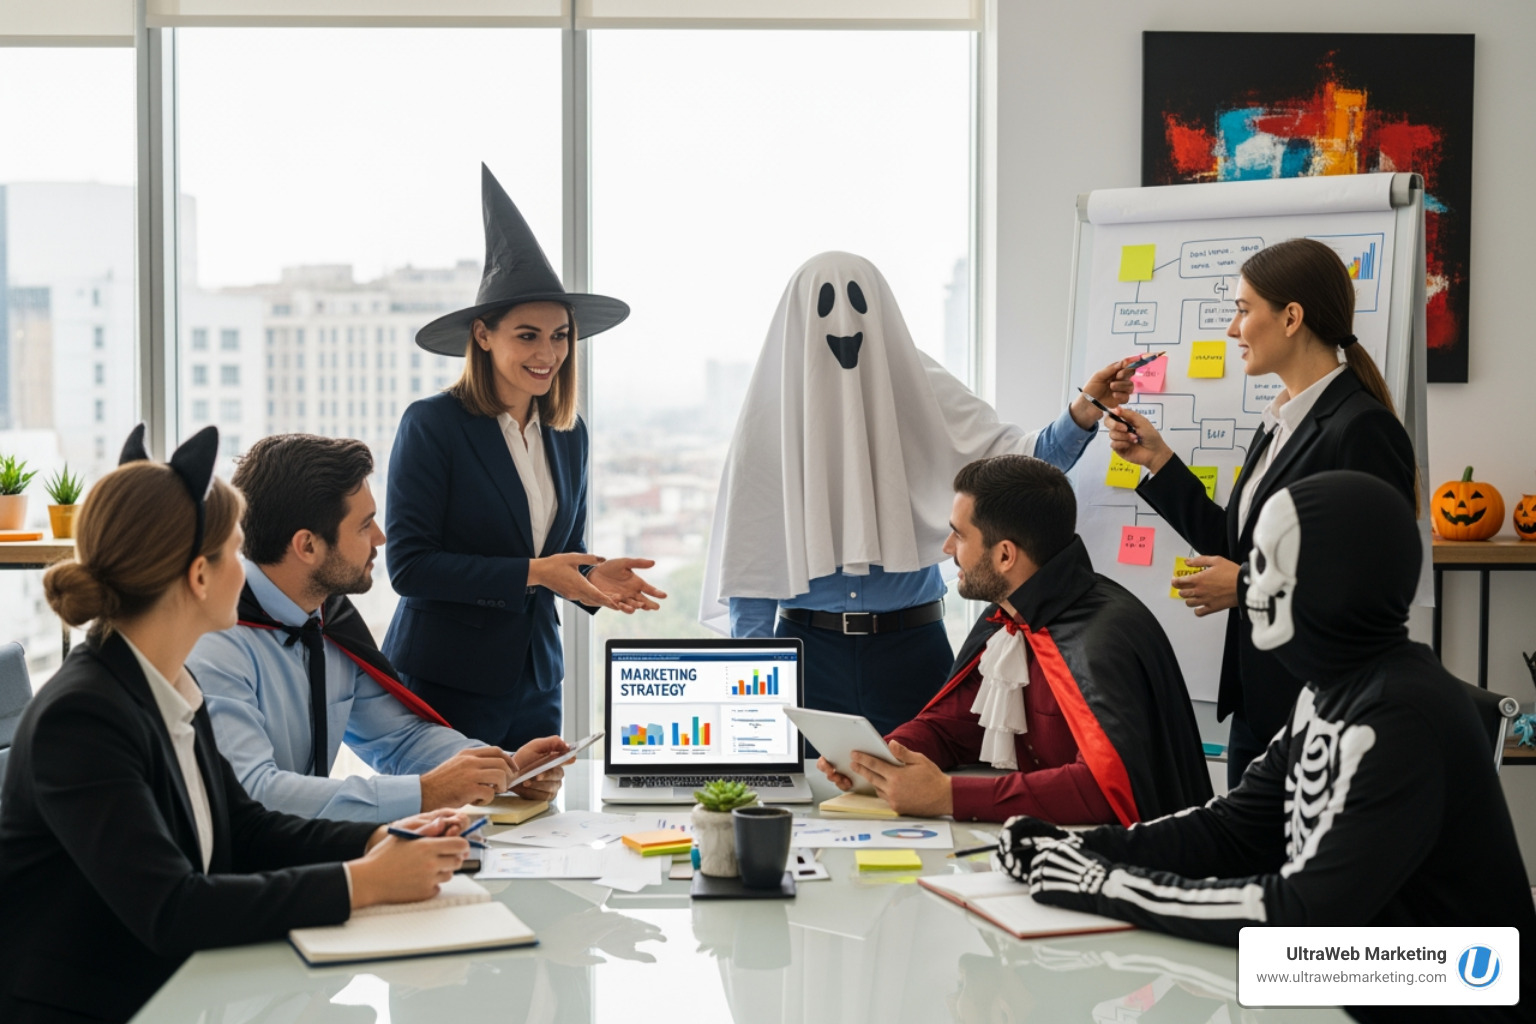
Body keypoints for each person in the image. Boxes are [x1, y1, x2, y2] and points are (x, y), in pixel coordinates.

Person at [1004, 471, 1533, 1024]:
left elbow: (1301, 915)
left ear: (1333, 580)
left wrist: (1103, 883)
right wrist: (1085, 846)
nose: (1251, 586)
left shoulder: (1401, 718)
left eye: (1270, 565)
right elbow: (1232, 829)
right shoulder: (1328, 691)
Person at [0, 425, 474, 1024]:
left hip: (176, 992)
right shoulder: (83, 718)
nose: (248, 568)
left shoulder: (169, 685)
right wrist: (363, 883)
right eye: (235, 550)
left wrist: (377, 840)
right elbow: (172, 908)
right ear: (199, 577)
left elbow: (245, 825)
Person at [702, 251, 1139, 736]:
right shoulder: (772, 410)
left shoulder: (920, 387)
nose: (842, 322)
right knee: (803, 783)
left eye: (856, 301)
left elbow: (1019, 469)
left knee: (927, 778)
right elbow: (753, 564)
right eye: (824, 305)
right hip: (807, 655)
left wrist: (1085, 410)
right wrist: (755, 700)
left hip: (911, 650)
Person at [1107, 238, 1416, 785]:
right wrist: (1157, 459)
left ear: (1292, 317)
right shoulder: (1278, 424)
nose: (1232, 329)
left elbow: (1373, 585)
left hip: (1317, 709)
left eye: (1243, 310)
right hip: (1258, 705)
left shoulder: (1362, 428)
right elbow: (1238, 545)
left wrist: (1245, 586)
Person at [382, 165, 664, 748]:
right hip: (446, 681)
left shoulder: (569, 433)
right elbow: (409, 567)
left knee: (537, 805)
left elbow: (559, 553)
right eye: (528, 335)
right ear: (483, 335)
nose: (548, 353)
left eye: (560, 335)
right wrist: (535, 573)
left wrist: (590, 577)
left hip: (537, 681)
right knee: (463, 810)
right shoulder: (433, 425)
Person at [189, 433, 567, 823]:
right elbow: (254, 792)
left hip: (305, 845)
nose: (380, 538)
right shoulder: (215, 643)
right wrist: (426, 792)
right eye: (364, 525)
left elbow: (400, 738)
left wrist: (500, 767)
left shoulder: (329, 621)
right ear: (307, 546)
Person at [817, 454, 1211, 823]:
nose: (948, 548)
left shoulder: (1103, 639)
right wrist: (876, 760)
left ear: (1005, 555)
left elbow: (1105, 789)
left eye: (959, 535)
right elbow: (954, 727)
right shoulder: (1008, 616)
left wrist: (949, 796)